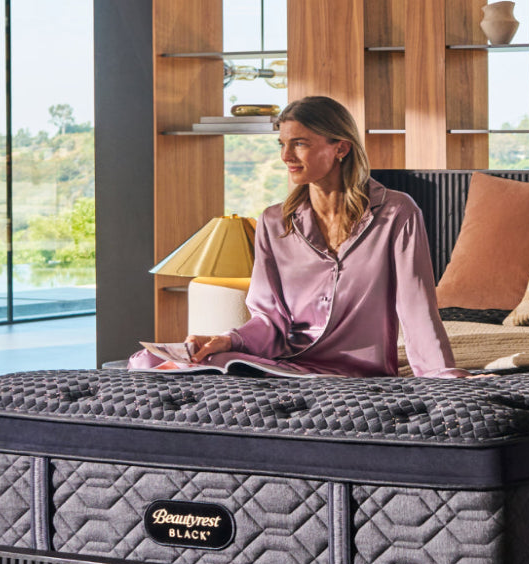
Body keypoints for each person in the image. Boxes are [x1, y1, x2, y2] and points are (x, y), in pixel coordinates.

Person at [185, 95, 466, 378]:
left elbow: (416, 309)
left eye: (300, 143)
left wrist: (441, 377)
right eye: (282, 144)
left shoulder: (396, 213)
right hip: (286, 366)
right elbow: (271, 321)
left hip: (357, 375)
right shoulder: (274, 222)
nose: (286, 156)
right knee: (152, 361)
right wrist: (228, 340)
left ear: (341, 148)